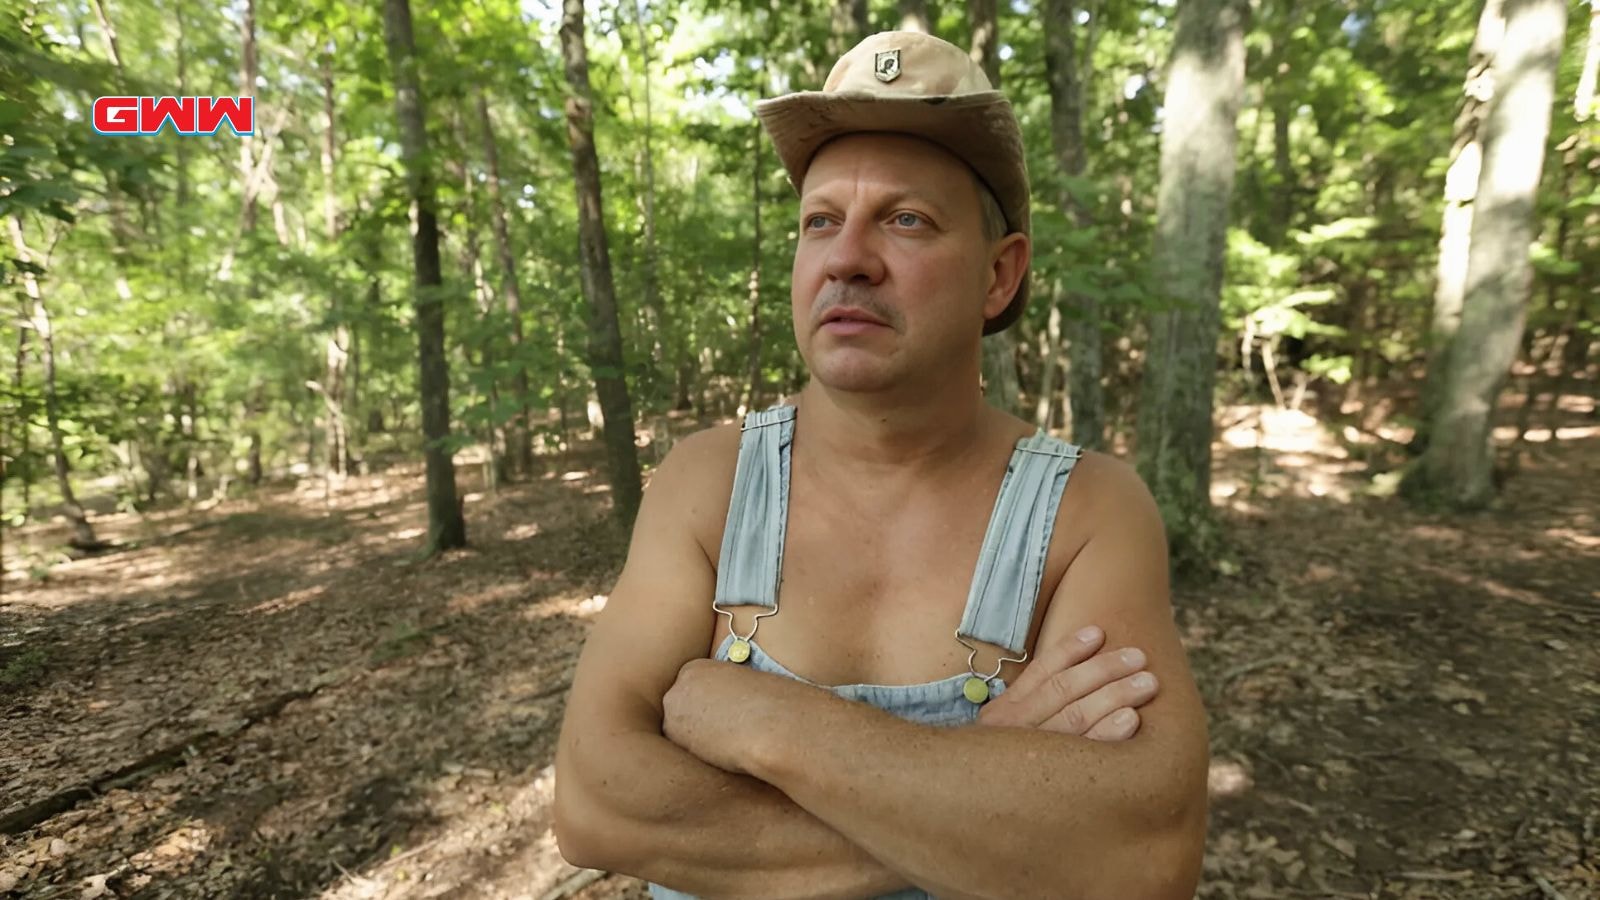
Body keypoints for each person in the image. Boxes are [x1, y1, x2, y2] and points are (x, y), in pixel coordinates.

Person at [553, 30, 1208, 899]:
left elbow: (1142, 856)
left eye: (906, 220)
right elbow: (596, 809)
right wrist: (984, 788)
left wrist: (766, 723)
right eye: (820, 220)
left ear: (999, 276)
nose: (847, 257)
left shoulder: (1084, 511)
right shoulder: (706, 485)